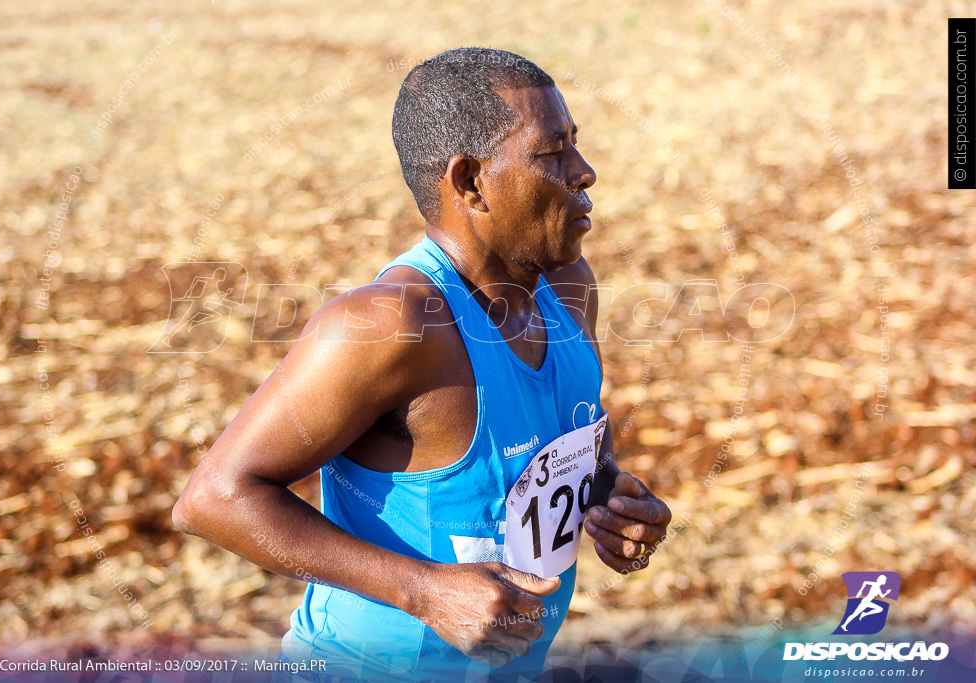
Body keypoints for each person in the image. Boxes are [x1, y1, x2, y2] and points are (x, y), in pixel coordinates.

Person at [173, 46, 672, 682]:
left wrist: (610, 503)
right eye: (551, 153)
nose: (584, 172)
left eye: (576, 143)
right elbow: (213, 498)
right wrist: (424, 590)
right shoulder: (392, 326)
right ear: (469, 183)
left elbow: (569, 440)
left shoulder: (570, 286)